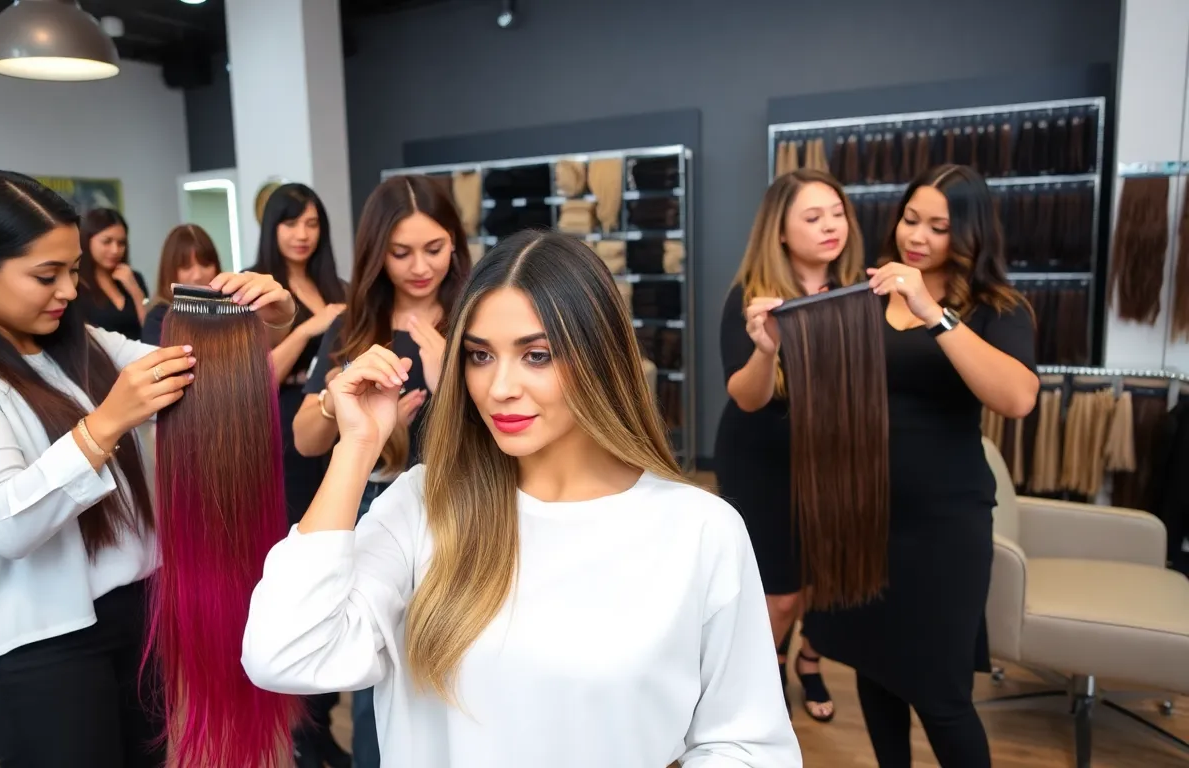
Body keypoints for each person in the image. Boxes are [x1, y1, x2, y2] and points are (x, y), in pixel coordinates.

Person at [242, 230, 801, 768]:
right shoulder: (422, 506)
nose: (499, 387)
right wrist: (356, 448)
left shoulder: (699, 530)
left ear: (600, 357)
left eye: (536, 355)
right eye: (480, 356)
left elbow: (747, 744)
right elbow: (284, 652)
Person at [0, 170, 298, 768]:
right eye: (46, 276)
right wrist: (106, 423)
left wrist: (271, 318)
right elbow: (6, 524)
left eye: (72, 271)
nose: (69, 291)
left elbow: (202, 372)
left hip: (135, 617)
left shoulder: (79, 344)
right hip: (38, 652)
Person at [802, 164, 1039, 768]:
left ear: (971, 235)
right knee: (876, 672)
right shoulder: (865, 292)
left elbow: (1016, 398)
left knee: (942, 694)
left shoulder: (997, 308)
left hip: (942, 527)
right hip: (862, 514)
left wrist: (933, 311)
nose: (919, 237)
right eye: (912, 219)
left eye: (939, 227)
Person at [289, 174, 470, 768]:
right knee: (376, 675)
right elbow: (304, 438)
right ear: (376, 252)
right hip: (375, 510)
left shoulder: (477, 316)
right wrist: (342, 405)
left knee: (461, 668)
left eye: (434, 248)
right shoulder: (355, 328)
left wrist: (453, 385)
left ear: (456, 242)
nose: (420, 267)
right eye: (401, 253)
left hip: (464, 506)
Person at [718, 168, 862, 723]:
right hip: (763, 463)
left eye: (836, 213)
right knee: (778, 593)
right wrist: (767, 350)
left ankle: (807, 657)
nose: (831, 226)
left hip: (835, 461)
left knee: (824, 581)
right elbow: (747, 397)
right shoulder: (751, 299)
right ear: (780, 230)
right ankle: (765, 666)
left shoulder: (856, 294)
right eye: (813, 216)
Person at [247, 183, 349, 768]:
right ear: (273, 228)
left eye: (312, 222)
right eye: (291, 223)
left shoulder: (334, 287)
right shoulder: (258, 287)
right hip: (277, 431)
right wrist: (309, 330)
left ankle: (323, 711)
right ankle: (300, 727)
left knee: (334, 552)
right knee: (295, 558)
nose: (303, 233)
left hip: (327, 426)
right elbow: (252, 375)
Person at [140, 224, 223, 346]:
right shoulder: (158, 319)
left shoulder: (232, 311)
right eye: (186, 267)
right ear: (170, 271)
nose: (198, 276)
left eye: (205, 264)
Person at [77, 208, 149, 340]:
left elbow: (151, 330)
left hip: (142, 356)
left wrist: (135, 291)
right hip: (99, 359)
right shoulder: (76, 284)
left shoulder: (134, 278)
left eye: (121, 243)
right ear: (88, 241)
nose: (115, 250)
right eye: (107, 241)